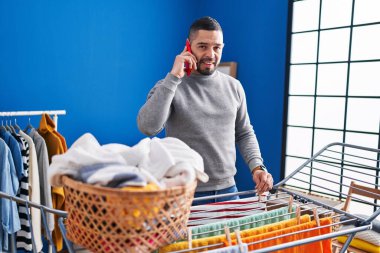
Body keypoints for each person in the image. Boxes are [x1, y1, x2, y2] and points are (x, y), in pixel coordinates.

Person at [137, 16, 273, 204]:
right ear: (188, 46)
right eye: (202, 46)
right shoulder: (168, 86)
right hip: (185, 192)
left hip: (228, 191)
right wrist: (174, 76)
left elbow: (243, 132)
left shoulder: (234, 87)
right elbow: (148, 127)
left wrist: (257, 166)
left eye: (217, 47)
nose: (211, 54)